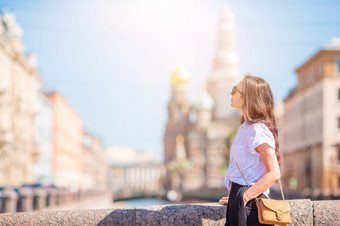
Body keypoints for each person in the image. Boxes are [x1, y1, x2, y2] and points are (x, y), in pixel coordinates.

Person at [219, 75, 281, 226]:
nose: (231, 93)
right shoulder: (245, 128)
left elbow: (274, 173)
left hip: (249, 204)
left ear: (248, 97)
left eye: (235, 90)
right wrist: (235, 198)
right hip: (239, 198)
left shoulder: (258, 130)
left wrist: (245, 196)